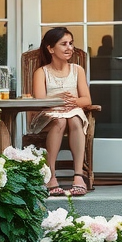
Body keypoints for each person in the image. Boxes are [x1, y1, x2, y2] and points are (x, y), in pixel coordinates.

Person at [30, 27, 93, 196]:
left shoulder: (77, 70)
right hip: (49, 114)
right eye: (63, 44)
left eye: (71, 43)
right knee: (60, 120)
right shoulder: (41, 72)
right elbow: (40, 100)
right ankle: (50, 175)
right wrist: (58, 98)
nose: (69, 48)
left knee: (73, 118)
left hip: (73, 112)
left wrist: (73, 102)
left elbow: (87, 100)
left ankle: (78, 176)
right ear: (50, 49)